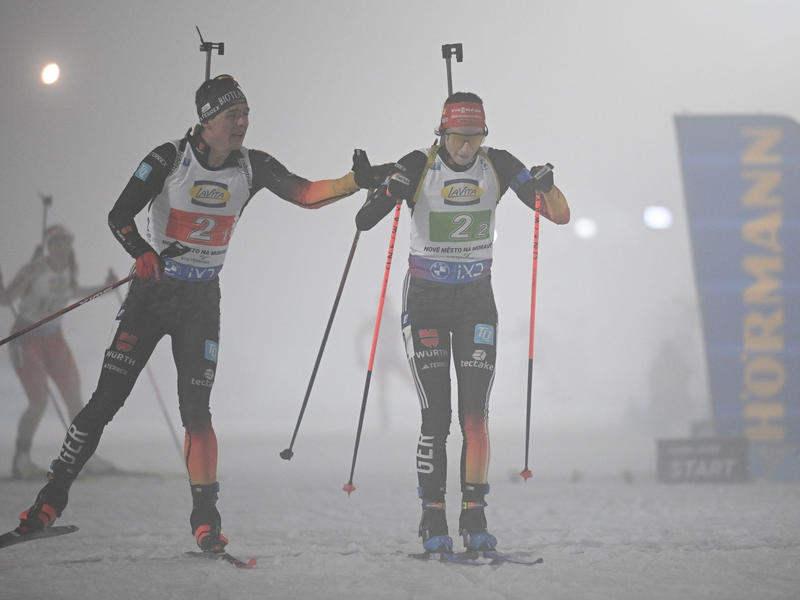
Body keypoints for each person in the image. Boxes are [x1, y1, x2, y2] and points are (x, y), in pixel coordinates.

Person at [14, 74, 391, 552]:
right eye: (233, 115)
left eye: (246, 114)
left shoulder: (253, 166)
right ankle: (48, 502)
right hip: (152, 299)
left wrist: (355, 181)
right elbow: (119, 216)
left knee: (197, 412)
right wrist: (141, 252)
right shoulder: (167, 158)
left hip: (200, 303)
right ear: (206, 121)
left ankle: (206, 518)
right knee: (104, 404)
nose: (243, 123)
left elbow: (306, 193)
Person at [355, 92, 570, 554]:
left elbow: (559, 215)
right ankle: (433, 517)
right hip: (428, 298)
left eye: (474, 138)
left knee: (476, 415)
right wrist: (389, 192)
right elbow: (364, 219)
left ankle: (475, 516)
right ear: (442, 133)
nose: (466, 149)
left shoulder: (499, 163)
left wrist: (547, 187)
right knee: (437, 415)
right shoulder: (419, 163)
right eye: (458, 138)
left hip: (476, 299)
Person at [0, 225, 117, 479]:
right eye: (58, 243)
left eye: (67, 242)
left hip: (55, 339)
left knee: (75, 401)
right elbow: (5, 299)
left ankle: (84, 456)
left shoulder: (70, 268)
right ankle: (21, 459)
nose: (63, 248)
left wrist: (106, 287)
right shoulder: (35, 268)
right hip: (26, 336)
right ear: (48, 246)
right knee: (39, 401)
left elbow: (73, 292)